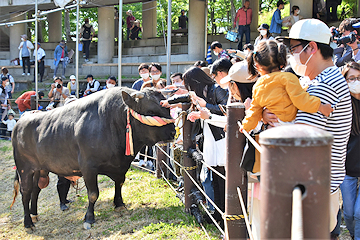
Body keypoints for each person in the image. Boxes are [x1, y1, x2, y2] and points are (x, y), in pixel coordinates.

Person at [274, 19, 352, 233]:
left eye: (294, 49)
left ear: (312, 47)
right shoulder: (324, 79)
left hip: (315, 188)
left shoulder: (322, 86)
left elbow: (299, 142)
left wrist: (274, 119)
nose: (292, 56)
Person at [240, 40, 333, 133]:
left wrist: (245, 126)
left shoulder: (258, 85)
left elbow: (254, 111)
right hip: (289, 125)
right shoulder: (288, 78)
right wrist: (321, 107)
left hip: (272, 126)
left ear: (257, 66)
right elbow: (301, 100)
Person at [184, 67, 229, 227]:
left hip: (222, 138)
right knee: (215, 176)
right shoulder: (202, 92)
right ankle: (218, 212)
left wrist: (206, 105)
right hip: (210, 138)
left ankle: (225, 216)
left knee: (222, 178)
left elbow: (227, 112)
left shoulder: (217, 89)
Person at [338, 61, 360, 240]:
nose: (356, 82)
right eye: (351, 78)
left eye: (359, 78)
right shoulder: (342, 105)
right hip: (347, 166)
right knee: (350, 213)